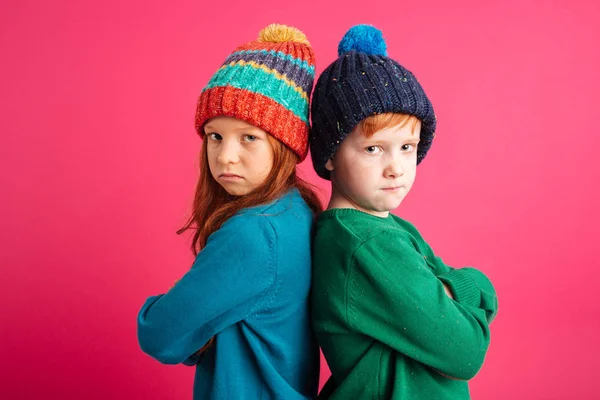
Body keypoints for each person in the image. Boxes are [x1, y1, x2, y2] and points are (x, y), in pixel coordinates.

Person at [309, 24, 498, 399]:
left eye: (407, 147)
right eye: (373, 149)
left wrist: (450, 288)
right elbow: (466, 351)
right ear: (330, 154)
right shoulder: (367, 245)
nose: (396, 167)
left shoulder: (386, 228)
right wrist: (470, 283)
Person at [137, 23, 321, 400]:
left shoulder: (254, 233)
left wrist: (170, 315)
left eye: (249, 137)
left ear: (285, 144)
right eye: (214, 136)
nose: (225, 156)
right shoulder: (297, 211)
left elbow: (159, 334)